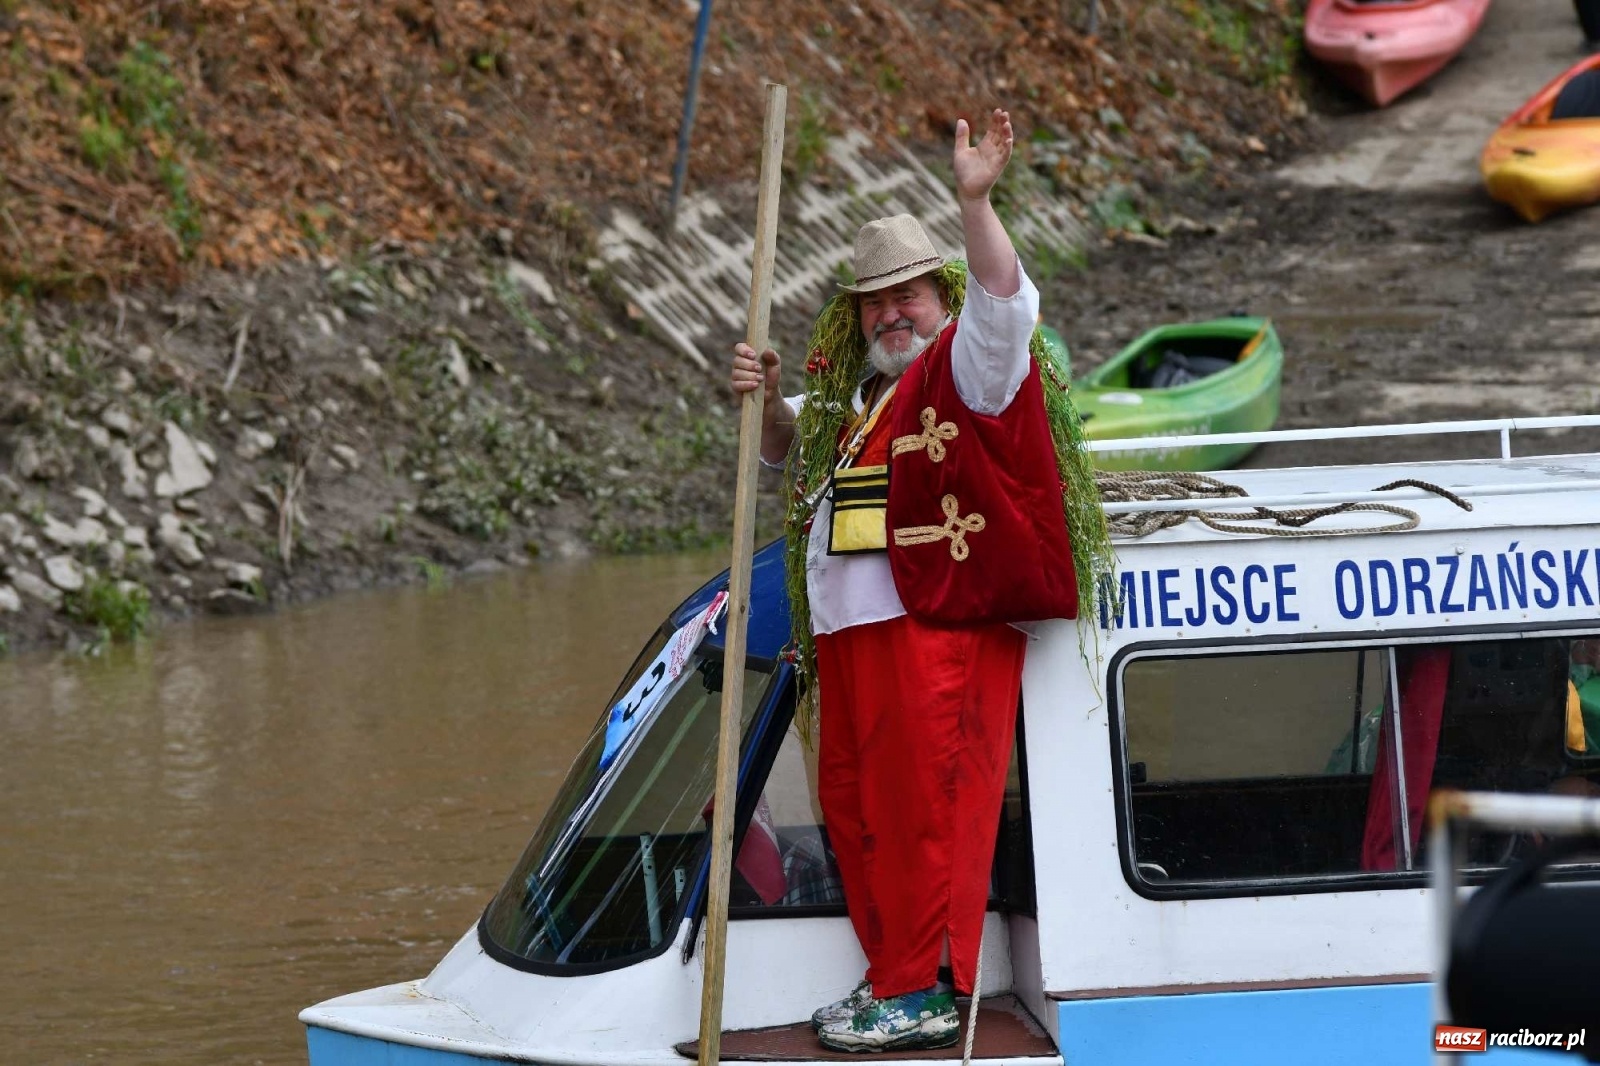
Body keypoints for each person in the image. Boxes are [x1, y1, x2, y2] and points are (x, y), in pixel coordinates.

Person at [729, 108, 1102, 1052]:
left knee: (923, 809)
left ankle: (929, 986)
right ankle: (892, 974)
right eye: (873, 301)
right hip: (853, 640)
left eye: (910, 295)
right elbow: (780, 449)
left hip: (929, 629)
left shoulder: (966, 368)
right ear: (855, 317)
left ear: (940, 297)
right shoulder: (853, 401)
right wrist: (763, 396)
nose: (893, 312)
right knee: (856, 808)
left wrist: (974, 201)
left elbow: (1007, 304)